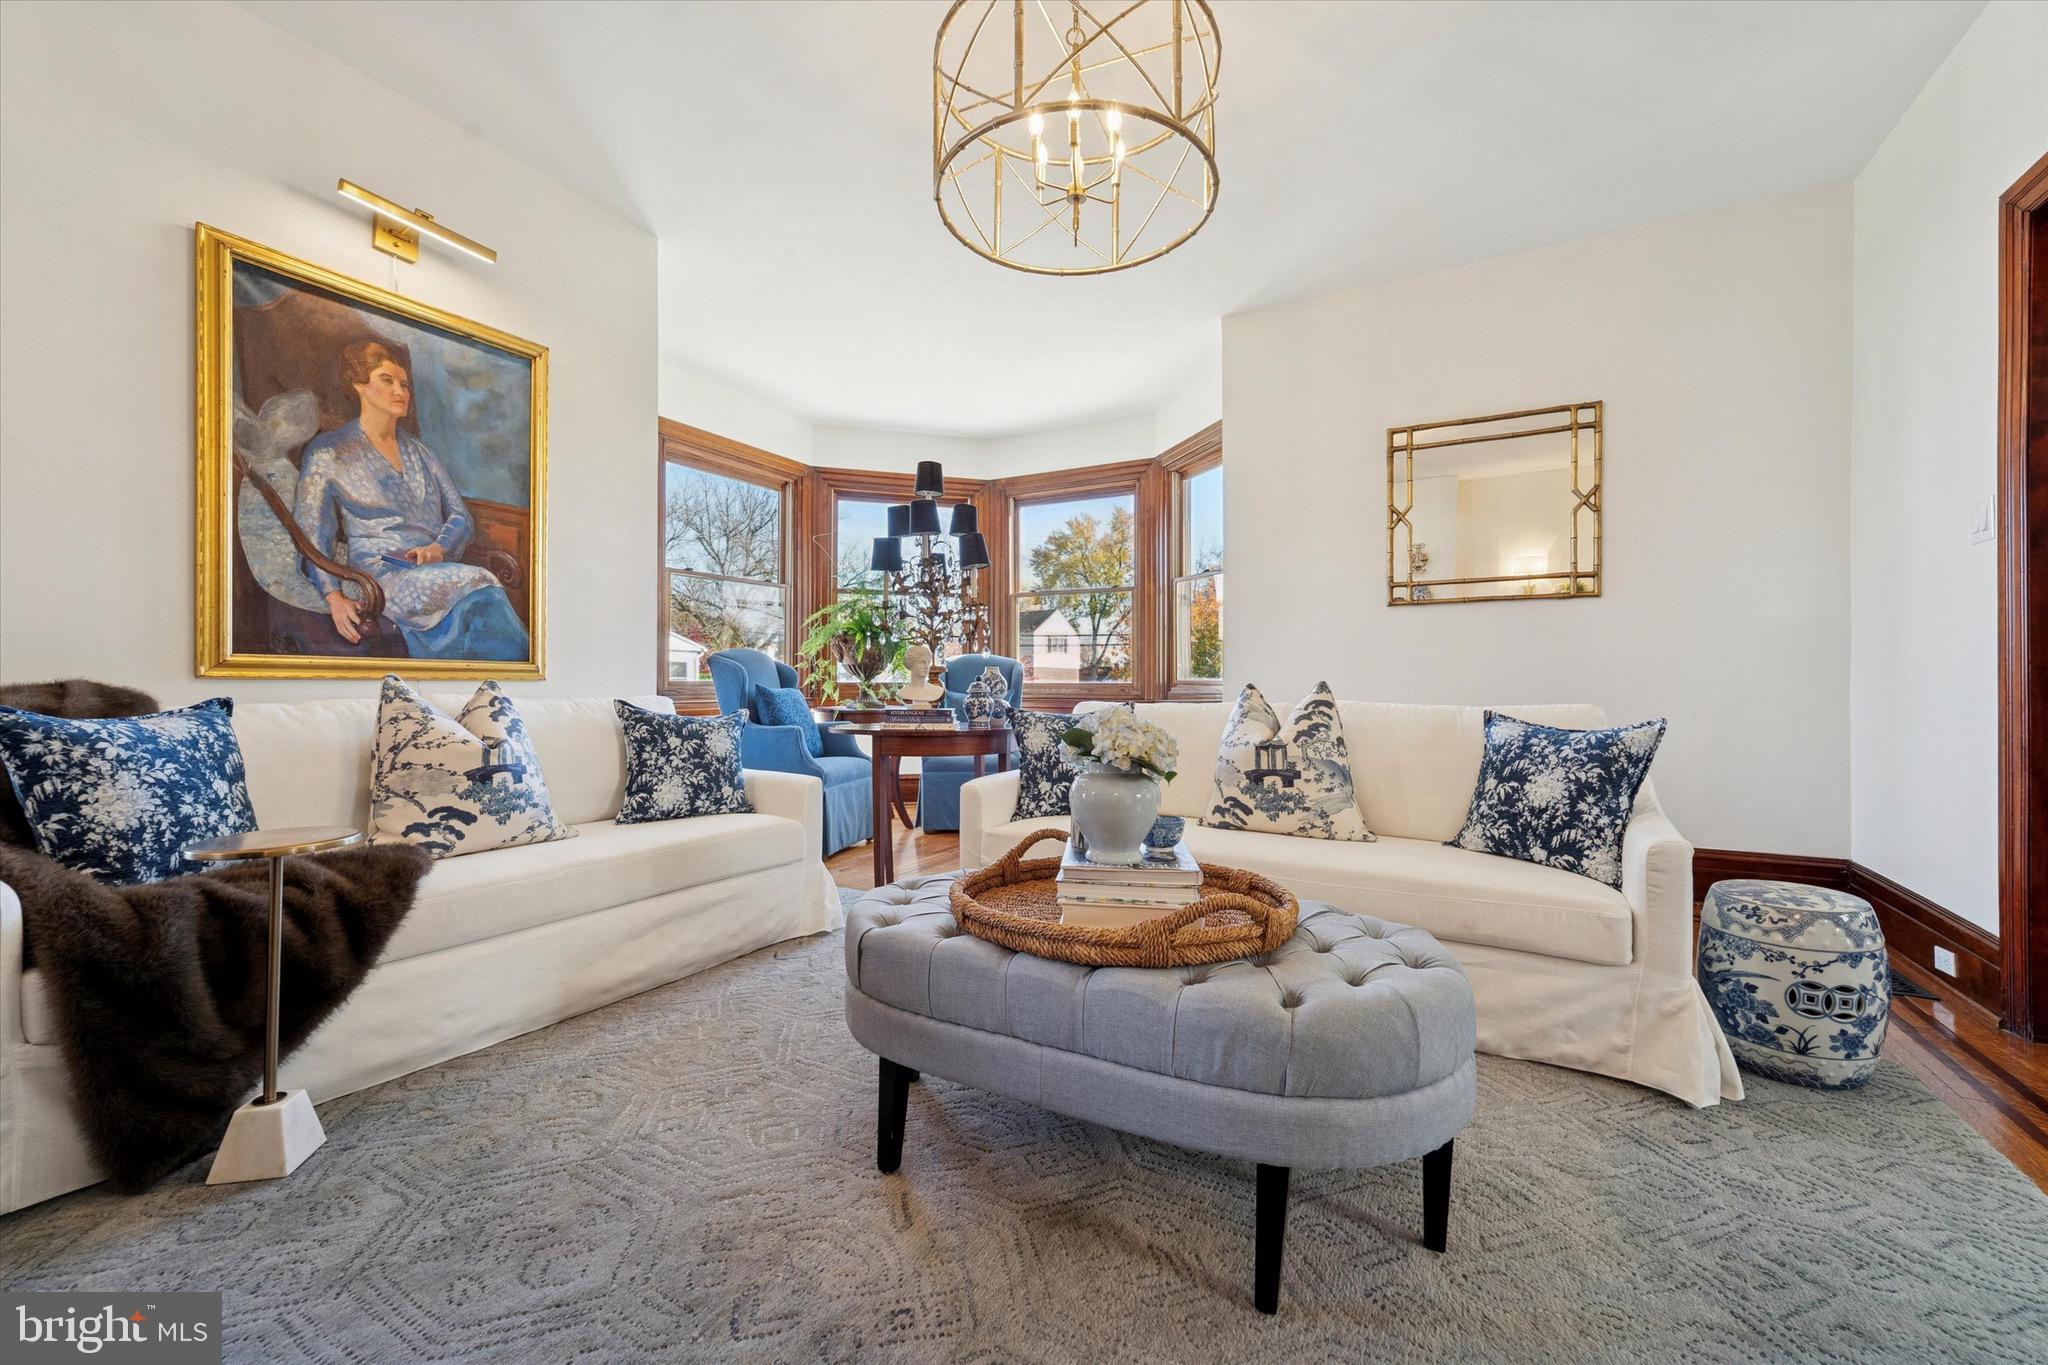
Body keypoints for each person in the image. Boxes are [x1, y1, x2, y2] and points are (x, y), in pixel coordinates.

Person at [292, 340, 529, 659]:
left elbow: (460, 516)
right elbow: (311, 532)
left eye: (403, 384)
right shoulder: (329, 452)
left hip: (433, 566)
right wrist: (333, 596)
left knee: (477, 596)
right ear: (359, 385)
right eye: (386, 381)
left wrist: (438, 548)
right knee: (480, 579)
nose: (399, 390)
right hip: (379, 573)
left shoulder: (420, 451)